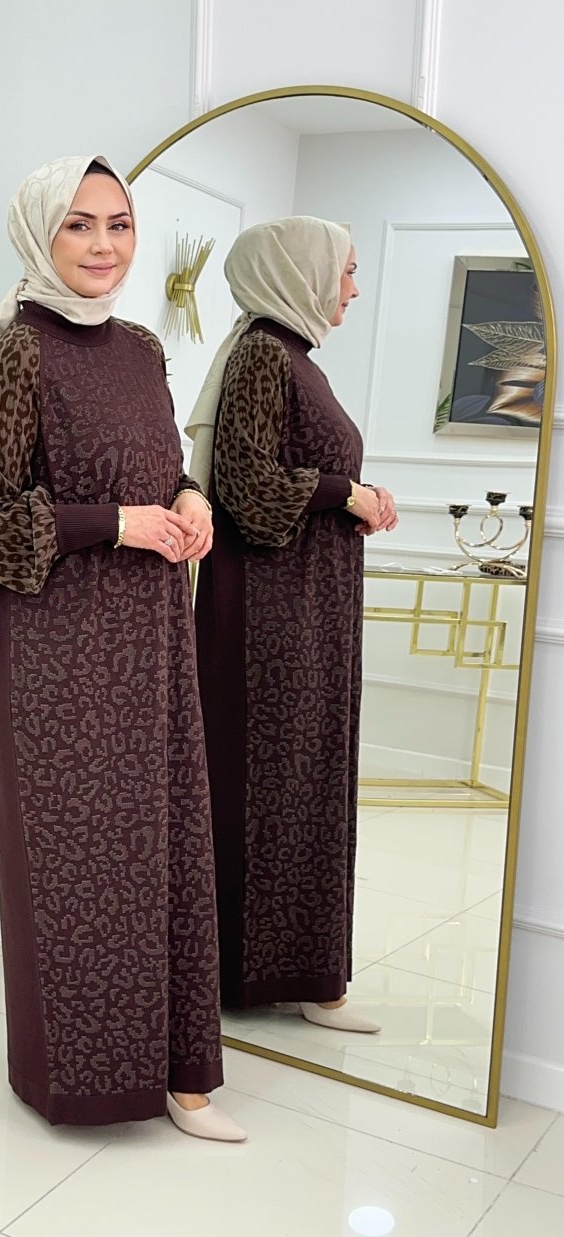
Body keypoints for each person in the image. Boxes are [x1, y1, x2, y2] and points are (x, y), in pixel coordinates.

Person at [0, 155, 244, 1141]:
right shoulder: (23, 351)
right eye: (79, 224)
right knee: (80, 862)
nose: (103, 244)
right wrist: (116, 524)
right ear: (41, 235)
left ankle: (184, 1075)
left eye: (118, 224)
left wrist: (191, 500)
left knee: (168, 839)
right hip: (62, 657)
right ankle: (84, 1079)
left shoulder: (142, 348)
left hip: (152, 642)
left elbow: (163, 468)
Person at [187, 216, 398, 1032]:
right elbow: (248, 487)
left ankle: (305, 972)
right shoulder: (264, 355)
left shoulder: (293, 357)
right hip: (269, 622)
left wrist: (362, 496)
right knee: (274, 785)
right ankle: (259, 975)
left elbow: (295, 472)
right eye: (345, 270)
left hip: (306, 612)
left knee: (303, 783)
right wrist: (346, 493)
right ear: (298, 271)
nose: (352, 288)